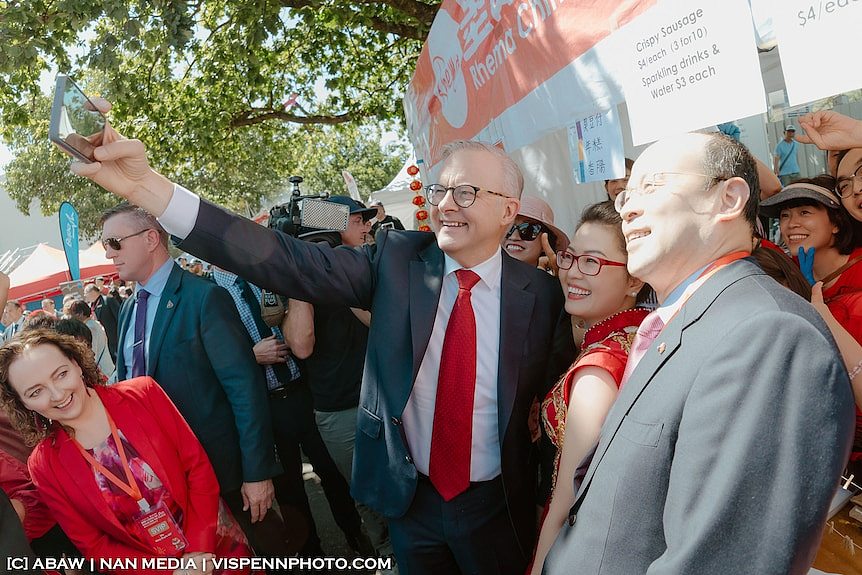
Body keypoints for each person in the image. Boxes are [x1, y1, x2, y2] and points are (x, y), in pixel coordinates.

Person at [68, 107, 567, 574]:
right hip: (411, 499)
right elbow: (279, 257)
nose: (445, 206)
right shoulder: (396, 262)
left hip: (499, 503)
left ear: (508, 210)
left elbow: (548, 409)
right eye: (440, 191)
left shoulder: (542, 296)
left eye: (466, 193)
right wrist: (149, 189)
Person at [542, 132, 854, 574]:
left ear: (728, 199)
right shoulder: (679, 323)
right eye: (627, 193)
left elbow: (722, 560)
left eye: (651, 187)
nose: (627, 207)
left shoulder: (768, 334)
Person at [100, 203, 285, 554]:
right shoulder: (127, 309)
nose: (109, 254)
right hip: (167, 476)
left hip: (225, 473)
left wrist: (257, 473)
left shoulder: (204, 297)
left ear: (151, 238)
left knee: (260, 554)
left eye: (114, 242)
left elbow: (245, 390)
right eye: (105, 246)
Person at [0, 330, 258, 574]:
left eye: (61, 374)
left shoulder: (143, 393)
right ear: (23, 403)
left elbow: (198, 470)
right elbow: (94, 545)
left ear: (76, 363)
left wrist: (199, 551)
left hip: (218, 545)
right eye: (36, 392)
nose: (57, 394)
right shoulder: (44, 465)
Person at [211, 266, 369, 558]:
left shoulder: (264, 273)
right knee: (289, 490)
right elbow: (213, 358)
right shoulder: (211, 294)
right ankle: (312, 554)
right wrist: (250, 356)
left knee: (333, 473)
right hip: (265, 406)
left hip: (305, 392)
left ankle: (356, 535)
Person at [530, 201, 648, 574]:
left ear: (634, 279)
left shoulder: (599, 370)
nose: (572, 273)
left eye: (592, 262)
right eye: (571, 258)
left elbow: (567, 502)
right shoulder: (641, 331)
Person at [285, 195, 393, 561]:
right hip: (340, 411)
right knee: (368, 498)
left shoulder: (377, 263)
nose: (366, 226)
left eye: (367, 220)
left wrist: (342, 275)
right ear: (330, 230)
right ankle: (389, 559)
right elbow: (300, 345)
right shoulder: (304, 280)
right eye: (357, 220)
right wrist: (306, 275)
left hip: (391, 398)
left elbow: (386, 324)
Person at [760, 176, 862, 341]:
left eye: (804, 212)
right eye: (785, 215)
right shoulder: (788, 267)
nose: (791, 224)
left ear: (836, 222)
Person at [501, 196, 568, 267]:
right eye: (508, 227)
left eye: (529, 230)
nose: (514, 237)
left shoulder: (553, 278)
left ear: (547, 241)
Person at [69, 300, 115, 378]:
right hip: (107, 367)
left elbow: (93, 353)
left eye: (73, 314)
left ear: (80, 313)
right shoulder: (95, 323)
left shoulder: (90, 328)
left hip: (103, 371)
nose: (72, 318)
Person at [84, 282, 121, 361]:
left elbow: (120, 318)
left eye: (85, 293)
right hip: (103, 341)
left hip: (114, 339)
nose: (85, 296)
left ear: (92, 292)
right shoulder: (91, 306)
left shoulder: (108, 300)